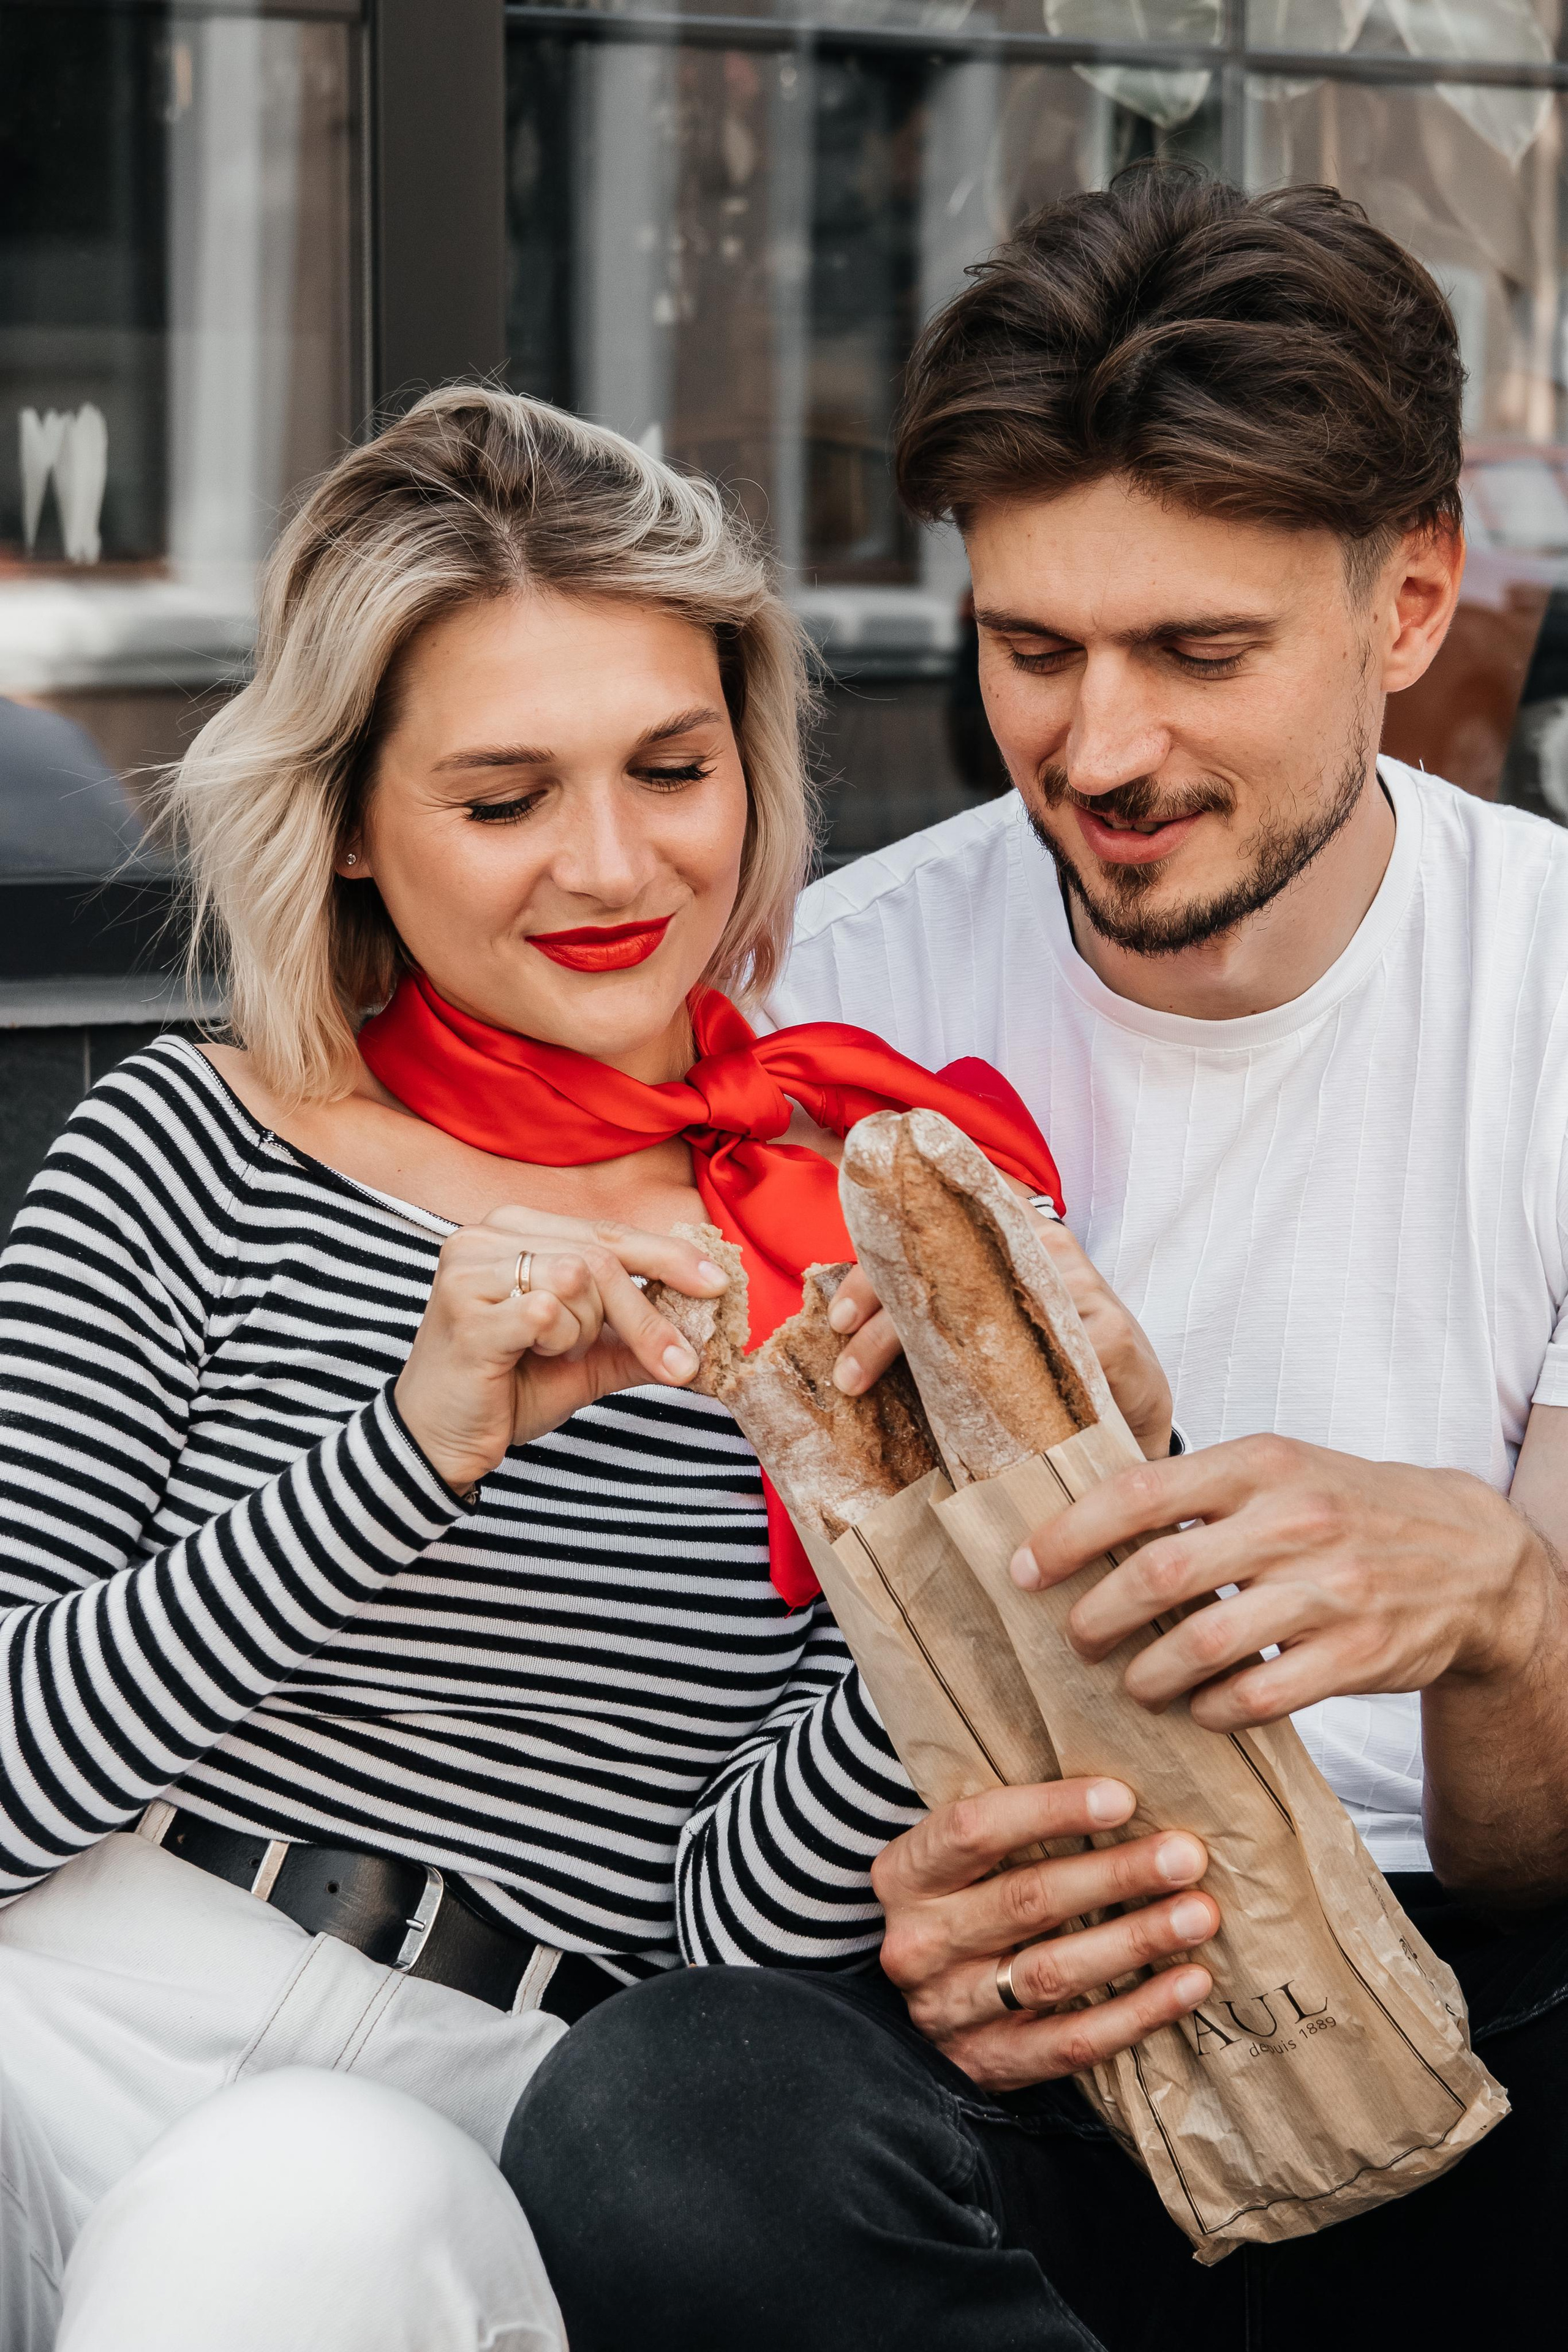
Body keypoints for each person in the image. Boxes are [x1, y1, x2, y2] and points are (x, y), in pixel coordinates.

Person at [502, 172, 1568, 2348]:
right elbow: (708, 1738)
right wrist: (887, 1906)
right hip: (1010, 2007)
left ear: (1414, 597)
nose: (1100, 749)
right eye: (1033, 648)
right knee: (655, 2120)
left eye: (1198, 652)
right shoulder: (816, 1003)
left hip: (1497, 1988)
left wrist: (1494, 1604)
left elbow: (1543, 1854)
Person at [0, 385, 1163, 2350]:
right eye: (503, 797)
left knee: (280, 2223)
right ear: (356, 829)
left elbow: (736, 1929)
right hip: (71, 1991)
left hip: (482, 2099)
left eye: (671, 768)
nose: (615, 864)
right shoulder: (182, 1152)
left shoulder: (854, 1255)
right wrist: (404, 1452)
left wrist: (982, 1523)